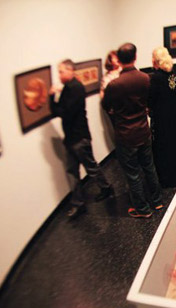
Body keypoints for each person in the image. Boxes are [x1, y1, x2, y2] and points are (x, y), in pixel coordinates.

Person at [102, 43, 163, 218]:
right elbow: (149, 101)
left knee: (133, 173)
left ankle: (142, 209)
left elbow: (106, 105)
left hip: (125, 134)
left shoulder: (114, 84)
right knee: (149, 167)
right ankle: (157, 201)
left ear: (119, 61)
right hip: (143, 130)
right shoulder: (146, 78)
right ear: (135, 57)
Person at [49, 59, 113, 219]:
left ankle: (106, 187)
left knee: (90, 167)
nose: (59, 75)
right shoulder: (67, 89)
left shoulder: (76, 88)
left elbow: (64, 112)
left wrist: (52, 98)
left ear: (71, 71)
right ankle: (78, 203)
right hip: (71, 137)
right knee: (72, 171)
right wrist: (55, 102)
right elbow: (59, 111)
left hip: (79, 137)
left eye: (61, 71)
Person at [148, 47, 176, 187]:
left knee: (163, 145)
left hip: (161, 115)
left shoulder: (155, 77)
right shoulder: (172, 74)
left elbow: (151, 99)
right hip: (174, 112)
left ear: (156, 60)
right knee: (175, 141)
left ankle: (166, 177)